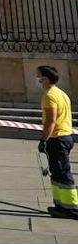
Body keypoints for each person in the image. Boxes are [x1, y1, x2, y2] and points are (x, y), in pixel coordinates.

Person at [38, 65, 77, 220]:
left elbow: (51, 120)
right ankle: (60, 205)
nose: (38, 79)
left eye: (40, 76)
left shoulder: (49, 95)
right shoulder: (61, 93)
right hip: (65, 136)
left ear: (46, 79)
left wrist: (44, 139)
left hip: (57, 138)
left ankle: (72, 208)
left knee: (63, 173)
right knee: (57, 172)